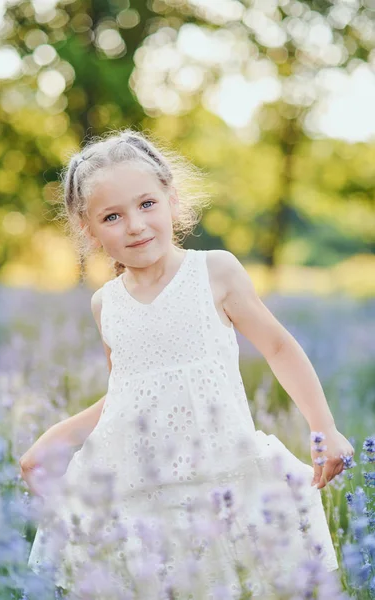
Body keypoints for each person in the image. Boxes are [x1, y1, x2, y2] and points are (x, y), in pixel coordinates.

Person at [21, 129, 354, 599]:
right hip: (140, 486)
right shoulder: (105, 304)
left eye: (147, 204)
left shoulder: (214, 272)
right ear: (88, 230)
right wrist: (54, 441)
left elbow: (278, 347)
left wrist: (325, 428)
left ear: (172, 200)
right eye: (112, 216)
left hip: (219, 473)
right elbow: (128, 391)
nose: (134, 225)